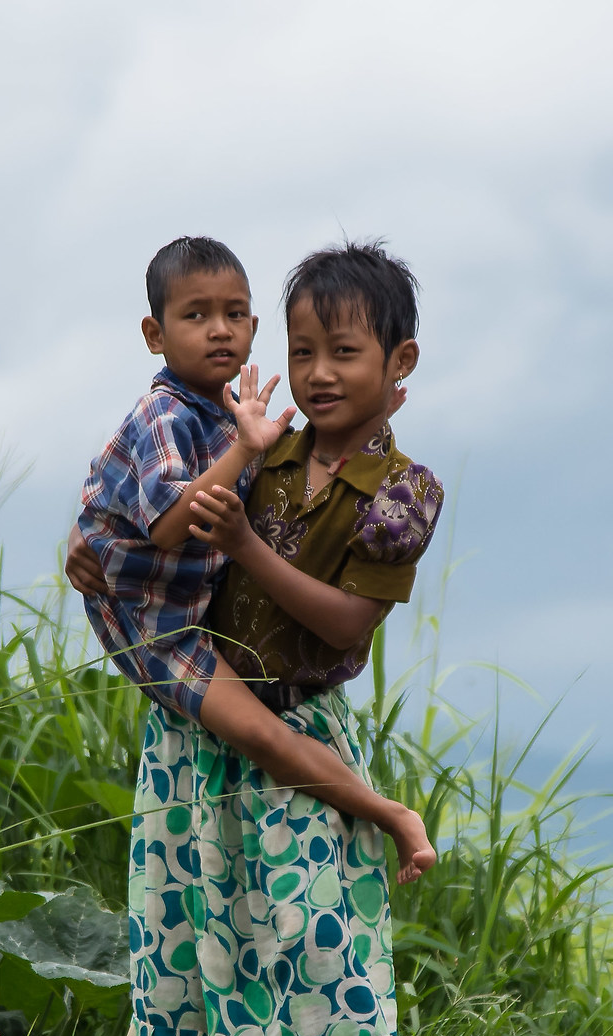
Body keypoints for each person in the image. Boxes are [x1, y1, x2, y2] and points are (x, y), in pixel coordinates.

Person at [68, 240, 451, 1036]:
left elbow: (348, 624)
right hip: (203, 733)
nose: (319, 374)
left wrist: (241, 540)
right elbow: (148, 502)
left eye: (346, 354)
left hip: (304, 728)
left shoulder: (403, 494)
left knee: (336, 926)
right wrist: (88, 546)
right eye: (304, 350)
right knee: (226, 934)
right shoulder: (262, 445)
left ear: (399, 364)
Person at [72, 234, 435, 881]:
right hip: (168, 644)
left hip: (251, 671)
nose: (220, 331)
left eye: (235, 315)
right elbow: (157, 515)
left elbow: (348, 620)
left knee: (275, 752)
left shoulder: (390, 486)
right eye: (197, 316)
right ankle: (391, 814)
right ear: (155, 334)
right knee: (260, 748)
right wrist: (84, 536)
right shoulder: (212, 427)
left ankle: (388, 813)